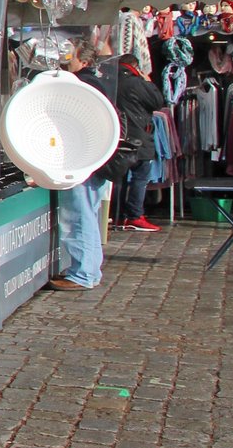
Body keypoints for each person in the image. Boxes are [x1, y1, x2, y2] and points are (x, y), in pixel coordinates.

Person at [50, 40, 110, 292]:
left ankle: (83, 272)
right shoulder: (95, 83)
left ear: (83, 61)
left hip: (81, 160)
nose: (65, 62)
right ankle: (88, 270)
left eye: (69, 57)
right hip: (92, 159)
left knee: (79, 215)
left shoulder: (81, 85)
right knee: (87, 214)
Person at [114, 54, 167, 232]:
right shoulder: (136, 83)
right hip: (139, 137)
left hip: (116, 137)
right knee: (140, 178)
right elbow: (157, 102)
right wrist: (149, 82)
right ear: (135, 66)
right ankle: (135, 216)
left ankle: (116, 215)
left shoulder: (110, 81)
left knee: (117, 178)